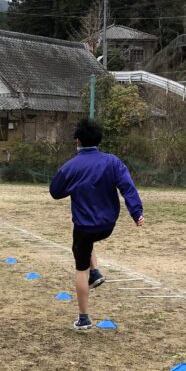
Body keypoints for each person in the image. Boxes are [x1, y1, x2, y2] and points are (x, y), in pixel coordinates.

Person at [49, 117, 145, 331]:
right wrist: (136, 212)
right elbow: (127, 187)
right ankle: (96, 272)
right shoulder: (113, 162)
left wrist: (72, 185)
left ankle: (83, 318)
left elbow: (55, 191)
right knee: (86, 237)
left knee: (80, 264)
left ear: (77, 141)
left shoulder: (72, 166)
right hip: (107, 225)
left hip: (85, 227)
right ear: (99, 140)